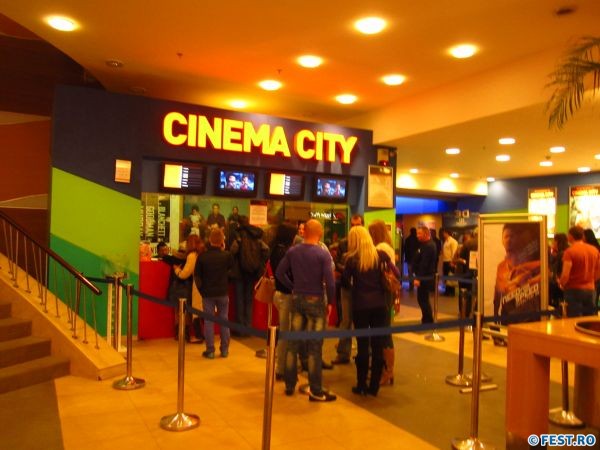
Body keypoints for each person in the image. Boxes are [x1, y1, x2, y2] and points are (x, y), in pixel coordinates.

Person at [275, 219, 337, 402]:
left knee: (293, 344)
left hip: (297, 300)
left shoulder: (293, 251)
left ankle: (289, 385)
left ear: (305, 232)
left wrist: (292, 287)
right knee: (314, 348)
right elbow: (330, 282)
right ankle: (316, 389)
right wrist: (331, 302)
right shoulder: (322, 254)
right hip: (316, 300)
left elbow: (279, 273)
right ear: (319, 233)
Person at [343, 226, 399, 397]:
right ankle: (374, 386)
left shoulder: (351, 260)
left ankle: (361, 384)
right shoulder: (381, 256)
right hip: (380, 305)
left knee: (362, 346)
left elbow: (345, 282)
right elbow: (396, 273)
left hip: (360, 306)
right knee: (377, 345)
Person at [368, 220, 398, 386]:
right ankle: (385, 369)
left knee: (385, 333)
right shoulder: (387, 246)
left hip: (384, 293)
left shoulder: (381, 248)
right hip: (386, 293)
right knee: (384, 332)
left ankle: (388, 371)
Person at [195, 228, 234, 359]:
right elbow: (232, 272)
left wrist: (202, 291)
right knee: (224, 319)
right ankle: (224, 350)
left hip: (207, 293)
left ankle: (210, 350)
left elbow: (197, 277)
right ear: (222, 240)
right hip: (222, 292)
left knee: (209, 321)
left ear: (210, 240)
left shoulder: (202, 257)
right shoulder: (227, 256)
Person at [331, 214, 363, 365]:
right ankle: (343, 353)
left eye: (358, 225)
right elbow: (336, 262)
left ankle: (364, 354)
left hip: (361, 288)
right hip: (346, 286)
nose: (355, 228)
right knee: (346, 321)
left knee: (363, 322)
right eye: (353, 225)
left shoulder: (366, 244)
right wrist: (347, 270)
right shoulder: (344, 243)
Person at [493, 223, 541, 320]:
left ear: (518, 239)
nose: (509, 240)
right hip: (508, 315)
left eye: (512, 236)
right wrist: (495, 314)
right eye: (506, 237)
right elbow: (497, 293)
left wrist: (523, 279)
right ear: (502, 240)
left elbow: (545, 271)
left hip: (529, 316)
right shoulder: (501, 266)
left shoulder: (529, 261)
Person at [269, 222, 297, 380]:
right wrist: (293, 287)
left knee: (284, 331)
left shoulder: (275, 249)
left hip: (279, 293)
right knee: (286, 334)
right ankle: (281, 369)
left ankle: (284, 366)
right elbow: (282, 274)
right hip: (286, 295)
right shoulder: (283, 252)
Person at [230, 215, 270, 330]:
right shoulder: (256, 235)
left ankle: (240, 328)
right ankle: (248, 327)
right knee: (249, 300)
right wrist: (259, 262)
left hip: (239, 272)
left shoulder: (238, 235)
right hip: (252, 272)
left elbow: (233, 251)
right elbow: (266, 250)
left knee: (239, 300)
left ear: (239, 223)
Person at [558, 225, 600, 317]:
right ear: (582, 236)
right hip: (591, 289)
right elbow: (598, 271)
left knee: (574, 319)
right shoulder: (594, 250)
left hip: (573, 290)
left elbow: (565, 274)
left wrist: (561, 283)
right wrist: (592, 281)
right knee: (589, 319)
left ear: (570, 236)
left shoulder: (569, 252)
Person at [171, 234, 205, 343]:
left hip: (197, 286)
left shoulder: (192, 256)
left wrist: (176, 270)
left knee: (196, 312)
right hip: (207, 285)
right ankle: (205, 335)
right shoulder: (203, 253)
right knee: (204, 311)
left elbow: (184, 274)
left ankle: (199, 336)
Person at [412, 226, 437, 323]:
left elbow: (424, 264)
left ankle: (428, 320)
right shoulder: (424, 245)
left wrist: (418, 278)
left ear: (426, 234)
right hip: (423, 276)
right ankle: (426, 318)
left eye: (419, 233)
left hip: (425, 277)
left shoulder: (429, 246)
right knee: (422, 299)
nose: (417, 236)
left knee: (423, 299)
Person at [549, 233, 569, 308]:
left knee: (558, 304)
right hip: (566, 284)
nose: (552, 243)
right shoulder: (566, 251)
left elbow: (554, 268)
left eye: (554, 241)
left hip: (559, 283)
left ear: (557, 242)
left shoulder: (561, 254)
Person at [441, 229, 458, 296]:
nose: (443, 234)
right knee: (446, 277)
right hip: (445, 261)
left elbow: (454, 252)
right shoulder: (446, 241)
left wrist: (453, 262)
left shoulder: (453, 241)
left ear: (447, 233)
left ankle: (451, 292)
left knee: (451, 276)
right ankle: (447, 291)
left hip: (450, 261)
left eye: (444, 233)